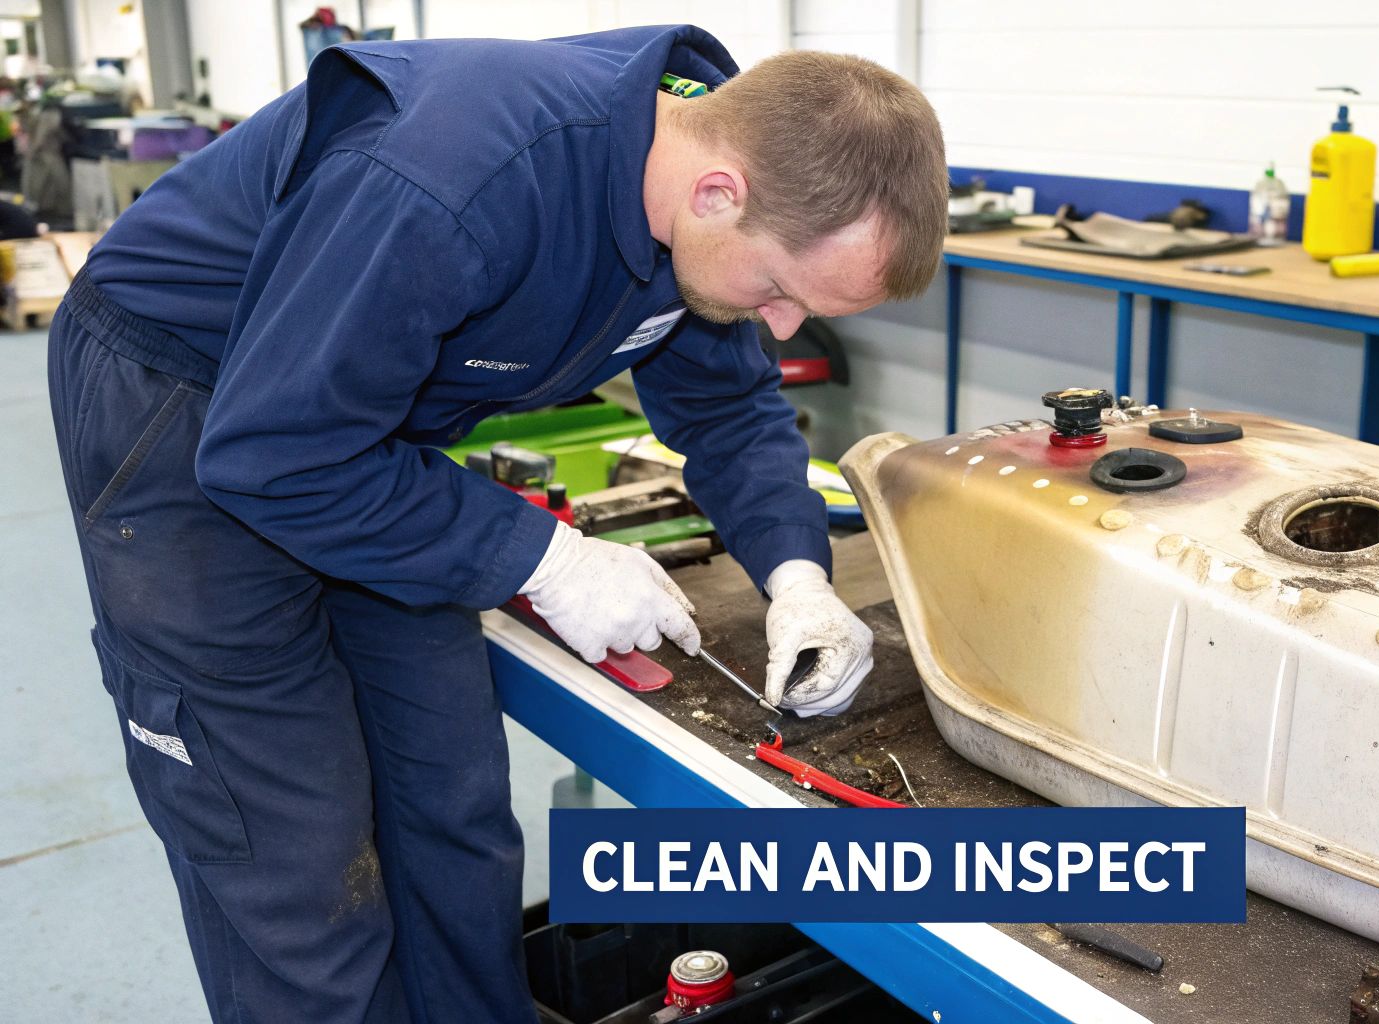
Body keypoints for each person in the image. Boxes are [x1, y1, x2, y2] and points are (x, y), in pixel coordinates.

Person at [45, 24, 947, 1023]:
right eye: (777, 291)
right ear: (716, 193)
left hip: (360, 428)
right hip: (189, 402)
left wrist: (795, 575)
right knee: (292, 851)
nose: (782, 326)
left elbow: (729, 409)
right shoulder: (450, 182)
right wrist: (545, 556)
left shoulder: (723, 172)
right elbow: (276, 453)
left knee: (450, 802)